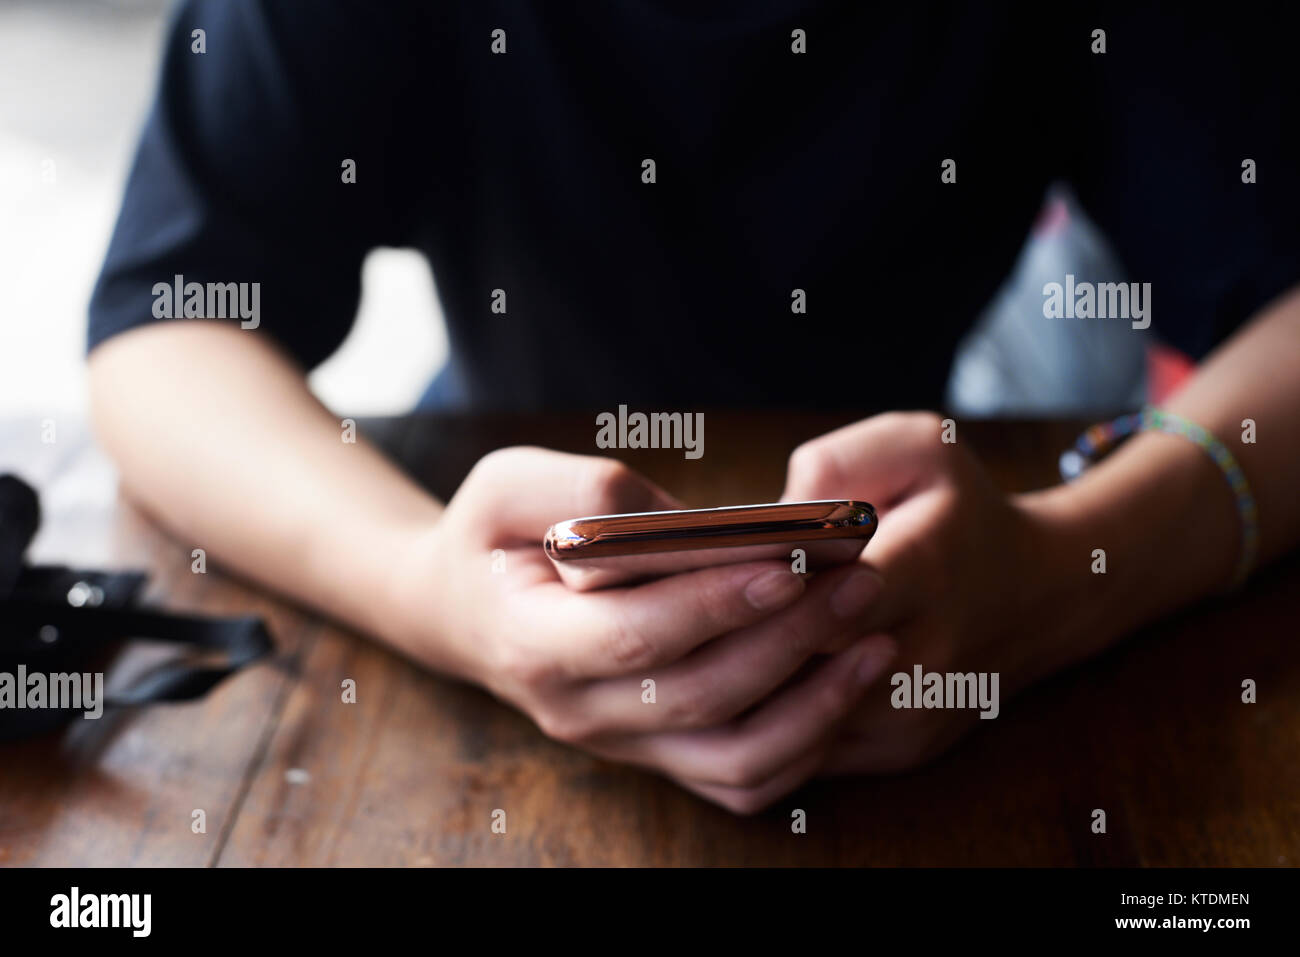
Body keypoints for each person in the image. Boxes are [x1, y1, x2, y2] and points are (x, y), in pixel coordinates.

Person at [87, 2, 1300, 812]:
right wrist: (429, 591)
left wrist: (1072, 571)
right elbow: (163, 328)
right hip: (482, 500)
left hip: (931, 511)